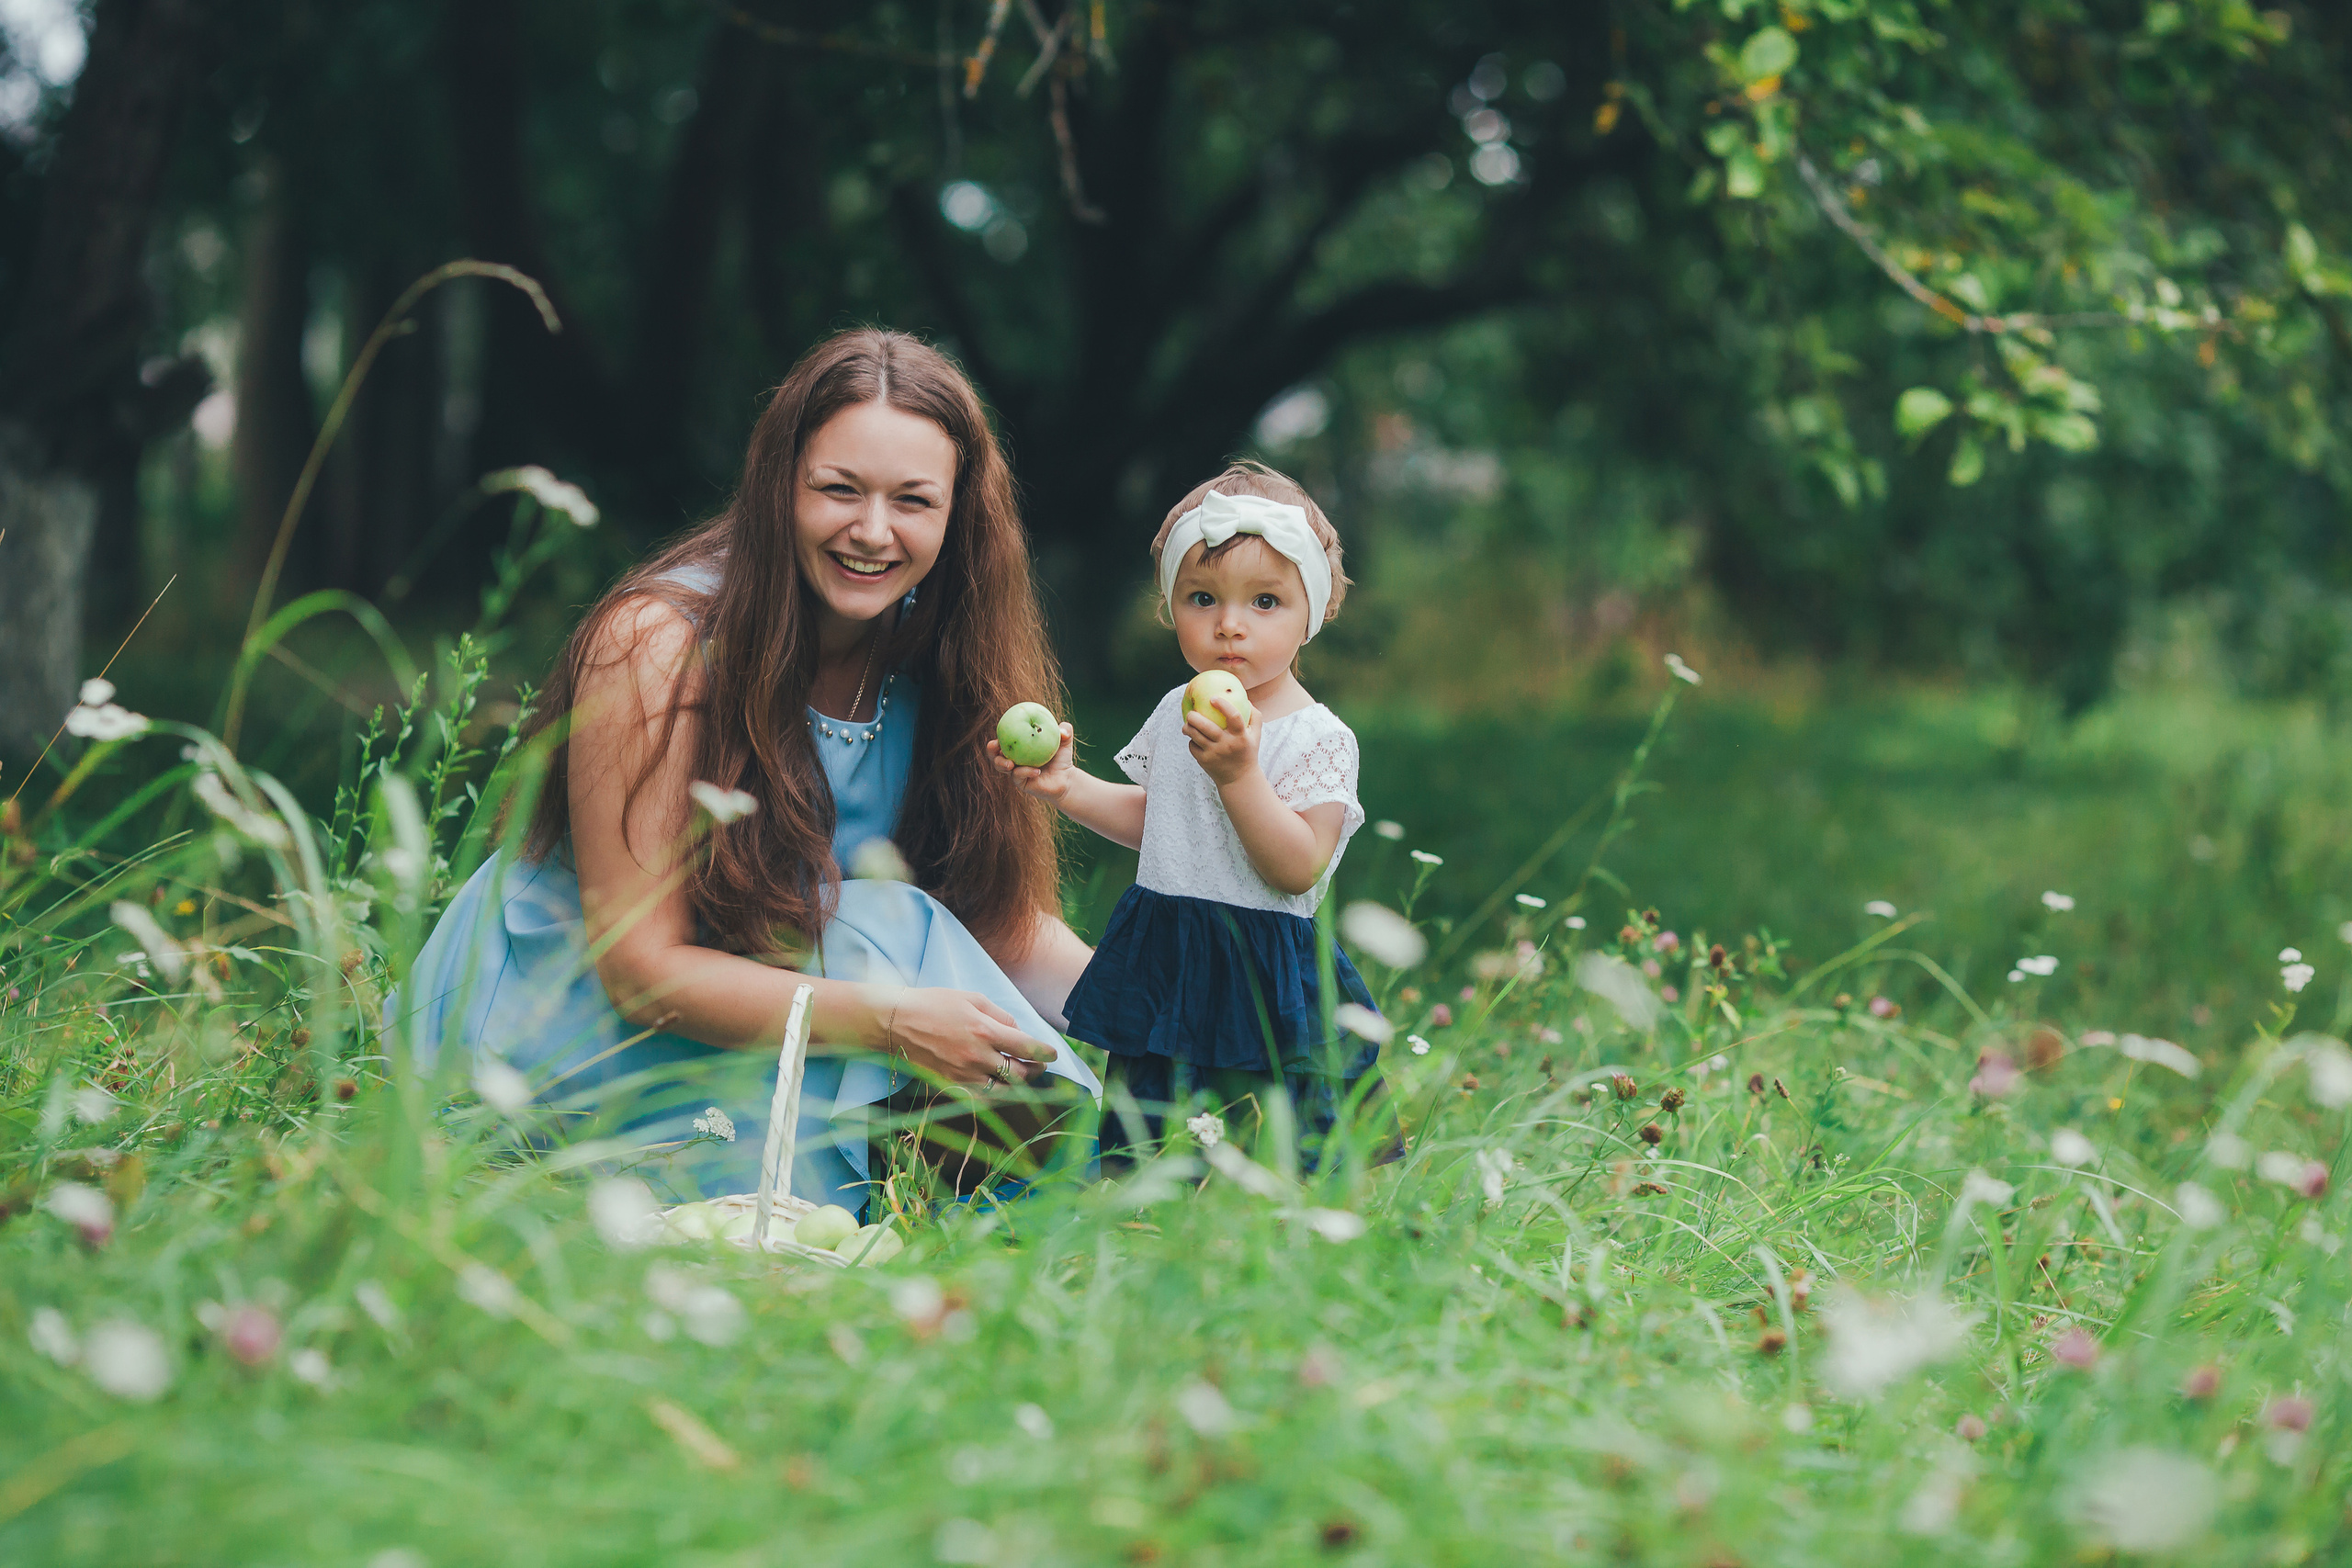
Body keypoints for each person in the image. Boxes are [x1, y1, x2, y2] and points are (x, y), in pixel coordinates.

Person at [396, 329, 1101, 1213]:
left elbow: (993, 923)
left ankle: (1088, 1169)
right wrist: (894, 1023)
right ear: (780, 489)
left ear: (959, 515)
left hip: (777, 991)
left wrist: (1176, 1019)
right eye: (838, 489)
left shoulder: (940, 655)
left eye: (913, 501)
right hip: (564, 1020)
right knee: (891, 919)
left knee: (905, 932)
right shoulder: (657, 647)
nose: (873, 531)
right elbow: (641, 972)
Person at [989, 461, 1377, 1162]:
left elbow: (1298, 866)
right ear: (1170, 606)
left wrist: (1240, 775)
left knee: (1264, 1142)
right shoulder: (1179, 708)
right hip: (1169, 946)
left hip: (1256, 962)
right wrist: (1066, 787)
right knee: (1151, 1139)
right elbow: (1163, 819)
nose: (1230, 626)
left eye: (1265, 602)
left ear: (1313, 614)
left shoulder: (1318, 737)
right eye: (1203, 597)